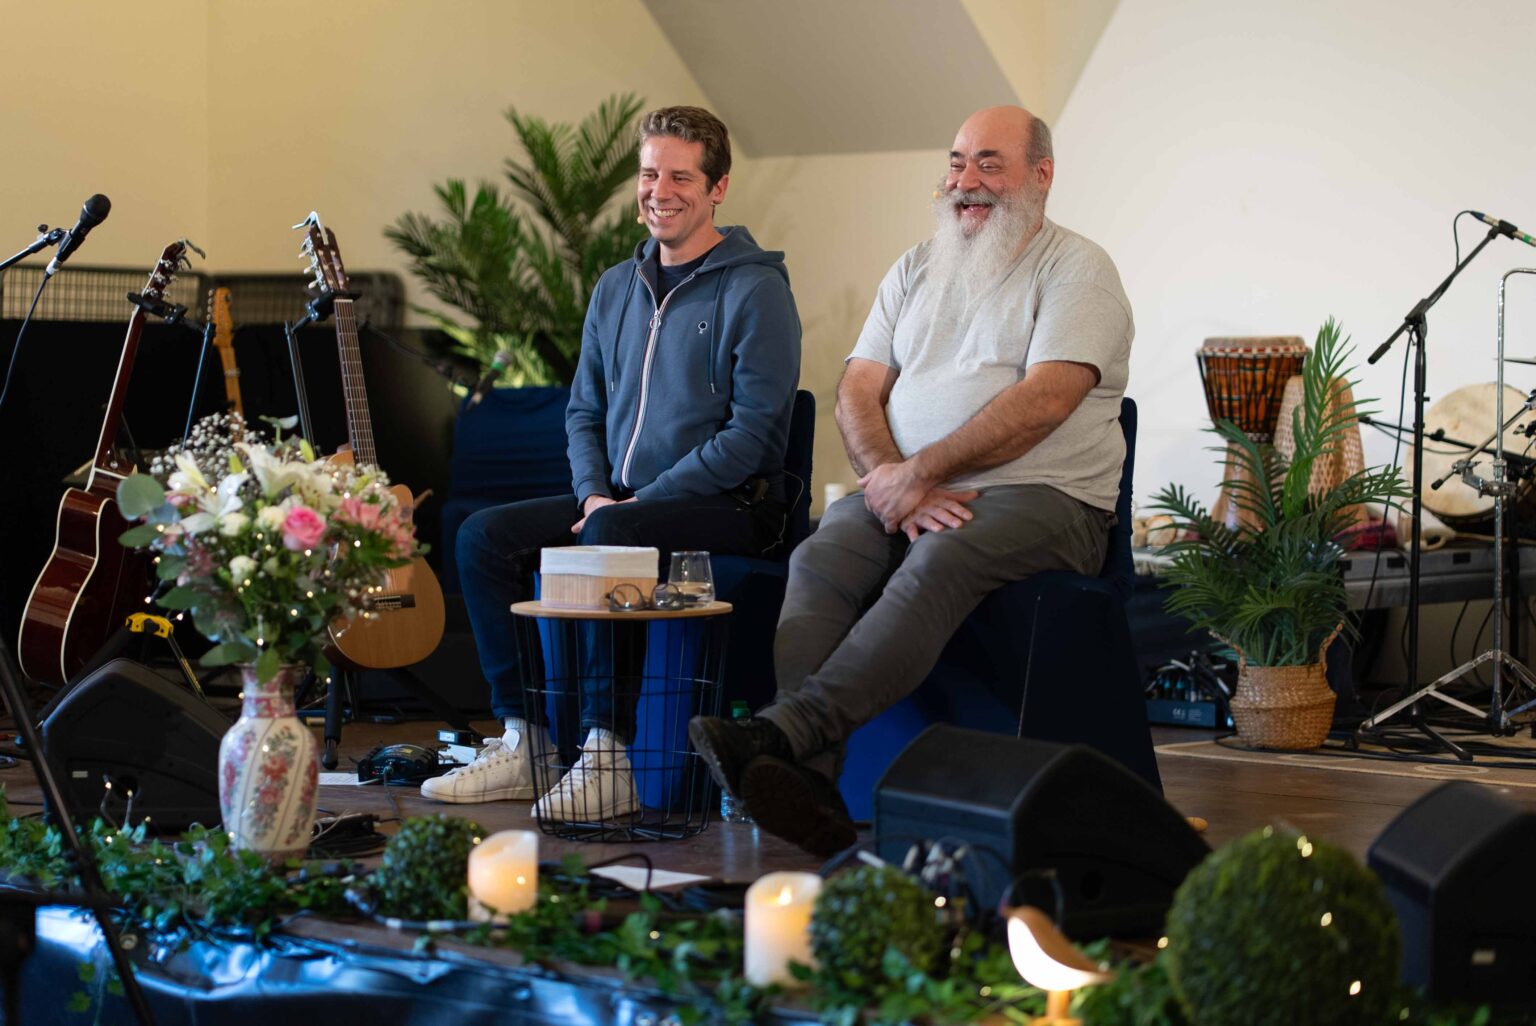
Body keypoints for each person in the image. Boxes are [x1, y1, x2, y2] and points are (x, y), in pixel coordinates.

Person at [688, 105, 1134, 855]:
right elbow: (857, 390)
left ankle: (786, 732)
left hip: (1047, 497)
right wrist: (893, 480)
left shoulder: (1079, 268)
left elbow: (1046, 401)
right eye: (957, 162)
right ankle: (813, 783)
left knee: (941, 553)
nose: (966, 180)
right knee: (820, 557)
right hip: (907, 486)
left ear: (1042, 175)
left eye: (989, 163)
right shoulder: (915, 267)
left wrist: (921, 474)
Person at [424, 106, 801, 819]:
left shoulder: (757, 291)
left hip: (734, 505)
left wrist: (635, 506)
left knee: (611, 538)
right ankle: (527, 740)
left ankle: (609, 756)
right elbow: (583, 412)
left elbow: (750, 437)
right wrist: (595, 493)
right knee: (483, 537)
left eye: (681, 176)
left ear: (718, 187)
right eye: (650, 173)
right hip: (621, 503)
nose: (661, 190)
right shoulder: (614, 287)